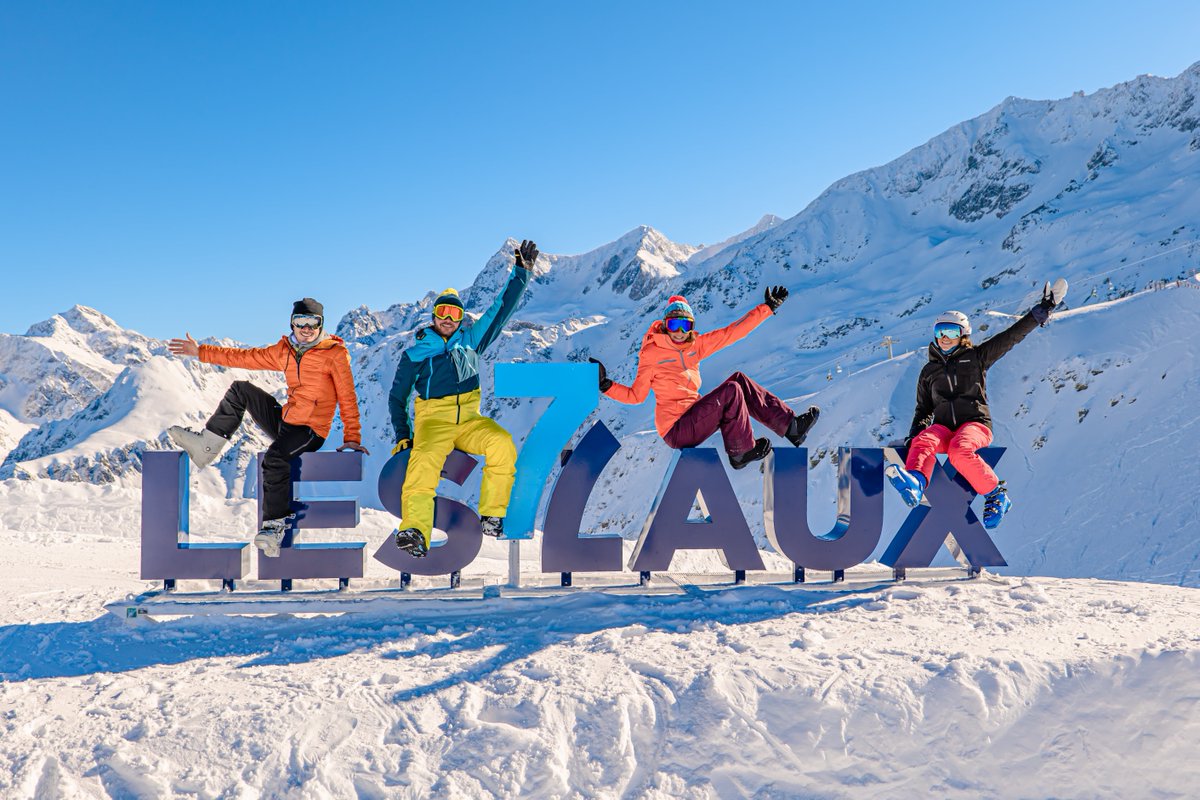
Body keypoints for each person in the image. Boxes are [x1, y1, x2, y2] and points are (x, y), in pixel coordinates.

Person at [165, 298, 368, 557]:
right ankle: (206, 445)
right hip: (286, 421)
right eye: (300, 322)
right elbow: (245, 357)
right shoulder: (284, 351)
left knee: (274, 459)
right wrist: (202, 352)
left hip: (311, 430)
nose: (306, 329)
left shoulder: (334, 354)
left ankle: (274, 527)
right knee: (241, 389)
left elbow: (347, 396)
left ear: (321, 325)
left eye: (313, 323)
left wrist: (352, 436)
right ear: (292, 324)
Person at [388, 240, 537, 557]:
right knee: (422, 464)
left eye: (454, 313)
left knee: (502, 445)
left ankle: (491, 513)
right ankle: (415, 530)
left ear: (460, 318)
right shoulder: (416, 353)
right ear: (434, 315)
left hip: (469, 420)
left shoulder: (470, 342)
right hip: (434, 422)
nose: (448, 318)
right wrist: (404, 435)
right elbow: (396, 398)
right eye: (443, 311)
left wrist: (521, 273)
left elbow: (501, 310)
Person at [886, 281, 1066, 528]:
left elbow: (1010, 337)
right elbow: (923, 409)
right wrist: (915, 435)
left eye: (951, 332)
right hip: (943, 428)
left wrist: (1039, 313)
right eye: (940, 333)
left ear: (963, 335)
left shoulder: (976, 358)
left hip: (974, 424)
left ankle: (995, 493)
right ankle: (915, 483)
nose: (945, 338)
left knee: (960, 451)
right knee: (923, 440)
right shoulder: (929, 371)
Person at [590, 288, 820, 469]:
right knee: (731, 390)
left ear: (691, 327)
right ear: (665, 326)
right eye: (673, 324)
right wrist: (605, 385)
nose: (679, 331)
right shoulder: (652, 353)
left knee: (738, 380)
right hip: (676, 429)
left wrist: (767, 308)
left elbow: (732, 333)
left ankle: (792, 427)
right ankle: (740, 452)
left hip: (695, 414)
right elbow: (636, 396)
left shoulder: (695, 346)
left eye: (685, 325)